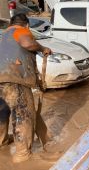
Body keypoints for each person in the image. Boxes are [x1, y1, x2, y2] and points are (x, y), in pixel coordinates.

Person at [0, 14, 52, 163]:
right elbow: (28, 44)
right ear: (27, 25)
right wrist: (43, 48)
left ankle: (2, 142)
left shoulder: (4, 35)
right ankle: (22, 154)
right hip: (16, 79)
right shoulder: (20, 30)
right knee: (23, 115)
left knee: (2, 114)